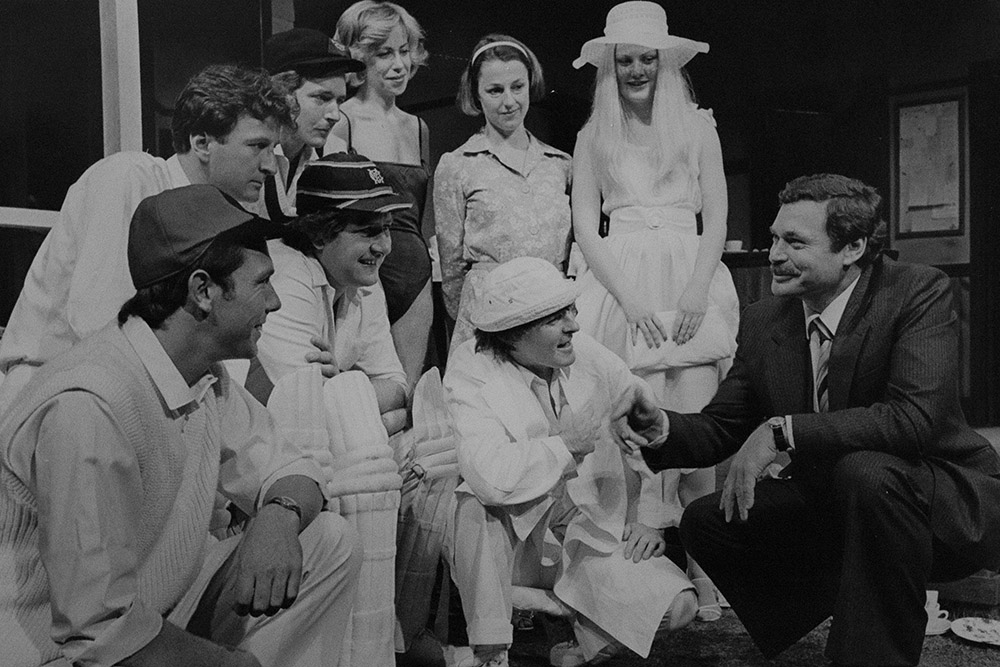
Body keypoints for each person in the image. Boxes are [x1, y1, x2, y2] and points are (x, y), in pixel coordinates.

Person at [616, 174, 1000, 667]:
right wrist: (660, 428)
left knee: (865, 471)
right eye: (775, 238)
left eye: (795, 242)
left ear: (853, 248)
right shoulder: (765, 319)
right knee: (706, 522)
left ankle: (869, 651)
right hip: (841, 503)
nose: (775, 254)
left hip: (939, 499)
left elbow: (914, 419)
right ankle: (864, 602)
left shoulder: (915, 291)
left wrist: (783, 431)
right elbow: (722, 426)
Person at [0, 184, 363, 667]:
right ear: (203, 291)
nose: (275, 302)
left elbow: (293, 468)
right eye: (261, 283)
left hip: (150, 615)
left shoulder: (202, 375)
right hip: (55, 654)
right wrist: (227, 666)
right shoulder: (89, 406)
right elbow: (95, 633)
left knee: (328, 541)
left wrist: (279, 515)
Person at [570, 0, 739, 620]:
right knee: (629, 413)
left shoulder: (696, 127)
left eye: (646, 59)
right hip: (623, 284)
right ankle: (640, 548)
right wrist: (628, 296)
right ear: (610, 67)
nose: (636, 70)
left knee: (694, 413)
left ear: (664, 63)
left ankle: (705, 565)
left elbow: (716, 216)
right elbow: (585, 226)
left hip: (688, 278)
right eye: (625, 61)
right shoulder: (594, 135)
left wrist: (696, 288)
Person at [444, 257, 697, 667]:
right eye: (555, 319)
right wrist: (566, 446)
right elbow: (490, 478)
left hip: (586, 529)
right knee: (473, 501)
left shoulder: (586, 354)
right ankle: (491, 651)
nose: (573, 326)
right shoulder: (471, 369)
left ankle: (574, 626)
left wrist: (649, 516)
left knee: (680, 606)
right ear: (512, 334)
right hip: (514, 541)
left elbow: (644, 420)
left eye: (571, 311)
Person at [0, 63, 293, 408]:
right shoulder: (129, 177)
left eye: (273, 149)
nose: (270, 166)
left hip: (149, 396)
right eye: (257, 146)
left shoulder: (219, 217)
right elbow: (99, 321)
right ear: (202, 143)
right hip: (56, 395)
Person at [255, 152, 409, 437]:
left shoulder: (363, 278)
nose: (384, 247)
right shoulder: (284, 278)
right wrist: (381, 415)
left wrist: (342, 387)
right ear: (319, 235)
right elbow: (309, 411)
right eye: (368, 232)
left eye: (387, 229)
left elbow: (399, 388)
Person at [435, 34, 572, 354]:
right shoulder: (457, 165)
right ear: (476, 94)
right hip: (489, 316)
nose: (509, 101)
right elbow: (451, 268)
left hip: (550, 311)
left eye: (517, 87)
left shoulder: (560, 164)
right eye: (495, 90)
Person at [325, 1, 434, 392]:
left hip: (415, 273)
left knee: (412, 392)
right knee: (366, 392)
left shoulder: (418, 127)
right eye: (385, 53)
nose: (399, 64)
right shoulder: (343, 121)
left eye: (404, 51)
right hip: (367, 273)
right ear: (360, 58)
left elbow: (423, 216)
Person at [259, 28, 363, 221]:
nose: (335, 116)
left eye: (340, 101)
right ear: (282, 93)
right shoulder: (247, 153)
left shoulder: (330, 154)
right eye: (322, 98)